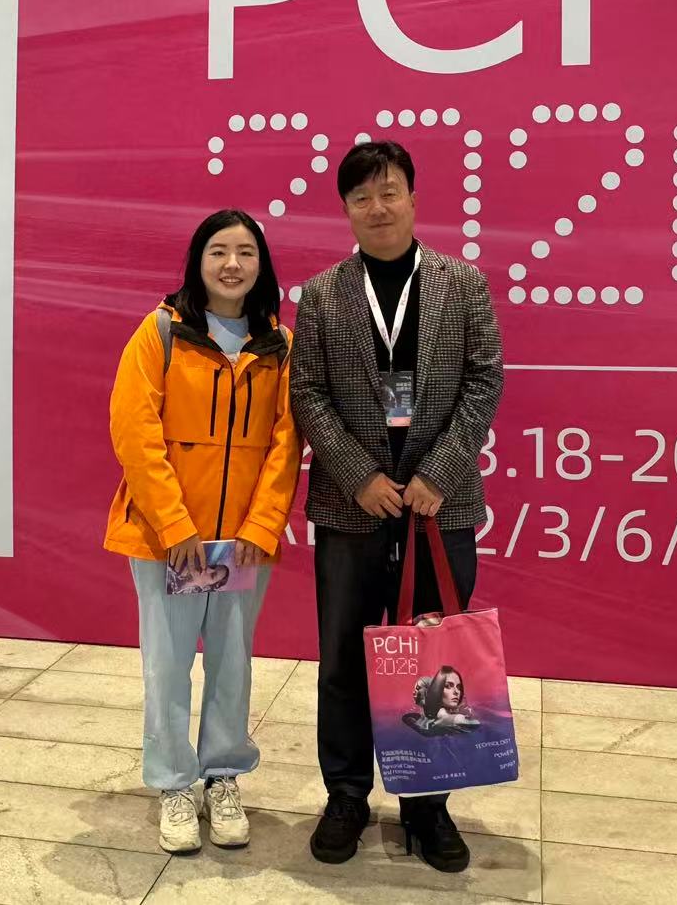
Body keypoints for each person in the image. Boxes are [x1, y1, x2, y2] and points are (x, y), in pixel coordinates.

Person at [291, 140, 504, 873]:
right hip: (352, 508)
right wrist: (358, 476)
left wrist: (438, 473)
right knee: (344, 659)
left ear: (413, 197)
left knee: (435, 662)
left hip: (439, 509)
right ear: (346, 209)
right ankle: (346, 796)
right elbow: (307, 393)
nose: (377, 208)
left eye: (389, 193)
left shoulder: (463, 283)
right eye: (361, 197)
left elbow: (485, 381)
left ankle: (428, 804)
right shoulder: (322, 294)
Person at [105, 209, 300, 856]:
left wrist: (262, 524)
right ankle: (173, 783)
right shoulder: (161, 332)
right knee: (167, 666)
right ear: (197, 261)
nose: (232, 264)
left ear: (262, 266)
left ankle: (222, 776)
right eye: (218, 251)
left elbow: (286, 443)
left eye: (246, 252)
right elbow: (135, 431)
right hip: (169, 539)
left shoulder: (279, 345)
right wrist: (174, 524)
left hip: (240, 542)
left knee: (232, 663)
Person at [405, 665, 482, 735]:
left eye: (459, 687)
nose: (456, 691)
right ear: (437, 689)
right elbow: (472, 723)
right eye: (448, 686)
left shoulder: (420, 718)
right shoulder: (444, 715)